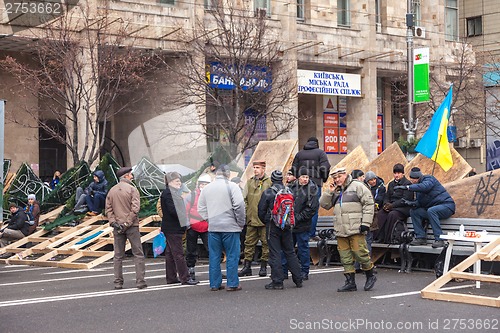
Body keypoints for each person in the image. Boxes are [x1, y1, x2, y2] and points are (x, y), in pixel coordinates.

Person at [319, 167, 377, 292]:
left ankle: (370, 275)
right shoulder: (336, 190)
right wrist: (329, 192)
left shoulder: (357, 186)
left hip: (355, 227)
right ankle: (350, 282)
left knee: (360, 253)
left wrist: (366, 223)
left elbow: (369, 204)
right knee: (345, 256)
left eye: (339, 177)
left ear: (345, 175)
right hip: (341, 228)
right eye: (335, 178)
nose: (337, 180)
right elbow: (324, 204)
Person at [198, 164, 246, 291]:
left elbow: (201, 208)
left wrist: (210, 219)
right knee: (232, 256)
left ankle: (215, 284)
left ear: (216, 174)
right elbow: (239, 206)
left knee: (214, 256)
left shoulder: (207, 189)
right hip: (231, 227)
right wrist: (240, 223)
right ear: (229, 174)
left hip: (213, 227)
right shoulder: (232, 187)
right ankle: (232, 283)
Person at [258, 170, 303, 290]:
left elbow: (261, 211)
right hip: (287, 226)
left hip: (273, 226)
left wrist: (267, 221)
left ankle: (277, 281)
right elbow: (295, 209)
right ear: (282, 179)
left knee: (275, 253)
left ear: (272, 180)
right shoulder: (289, 191)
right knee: (290, 252)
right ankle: (298, 279)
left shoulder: (268, 192)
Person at [105, 167, 147, 290]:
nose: (132, 176)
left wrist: (114, 222)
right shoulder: (132, 190)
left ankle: (118, 282)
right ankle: (140, 281)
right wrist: (127, 223)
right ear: (127, 176)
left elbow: (109, 209)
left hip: (117, 226)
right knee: (138, 253)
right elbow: (135, 209)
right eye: (130, 175)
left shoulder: (112, 191)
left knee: (118, 256)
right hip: (131, 226)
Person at [395, 167, 456, 248]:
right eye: (411, 179)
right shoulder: (418, 188)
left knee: (431, 211)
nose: (412, 181)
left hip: (447, 206)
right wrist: (411, 203)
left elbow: (425, 187)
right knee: (414, 212)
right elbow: (420, 203)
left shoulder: (429, 179)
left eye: (414, 179)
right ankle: (420, 237)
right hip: (433, 210)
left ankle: (439, 239)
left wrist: (407, 187)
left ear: (418, 178)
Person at [160, 171, 199, 285]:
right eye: (177, 181)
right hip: (173, 228)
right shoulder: (169, 193)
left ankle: (171, 277)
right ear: (170, 182)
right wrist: (185, 217)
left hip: (171, 227)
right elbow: (173, 210)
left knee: (170, 253)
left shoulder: (171, 192)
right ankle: (185, 277)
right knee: (178, 253)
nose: (179, 183)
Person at [291, 136, 331, 240]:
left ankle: (299, 232)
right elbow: (325, 167)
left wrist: (299, 177)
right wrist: (323, 178)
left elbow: (293, 168)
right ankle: (311, 234)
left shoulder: (299, 154)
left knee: (299, 207)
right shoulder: (321, 153)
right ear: (317, 144)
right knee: (313, 209)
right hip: (316, 184)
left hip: (301, 185)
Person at [240, 160, 271, 277]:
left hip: (263, 221)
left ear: (263, 169)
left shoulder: (269, 182)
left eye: (258, 167)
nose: (255, 170)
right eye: (254, 167)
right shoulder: (250, 182)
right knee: (248, 244)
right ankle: (247, 266)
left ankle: (263, 267)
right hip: (251, 219)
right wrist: (247, 212)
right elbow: (245, 199)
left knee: (265, 244)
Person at [287, 168, 319, 281]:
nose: (305, 179)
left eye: (307, 177)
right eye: (303, 177)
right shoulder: (291, 187)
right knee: (288, 248)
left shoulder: (312, 189)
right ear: (298, 177)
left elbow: (311, 209)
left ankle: (304, 271)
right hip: (291, 224)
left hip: (303, 224)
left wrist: (298, 218)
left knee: (303, 248)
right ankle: (286, 269)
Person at [375, 163, 413, 244]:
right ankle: (378, 237)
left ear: (403, 173)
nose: (396, 175)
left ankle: (389, 238)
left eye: (399, 173)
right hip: (391, 206)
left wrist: (392, 205)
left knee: (392, 215)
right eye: (395, 173)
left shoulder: (407, 184)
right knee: (381, 214)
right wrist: (386, 204)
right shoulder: (391, 184)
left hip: (402, 208)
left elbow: (405, 199)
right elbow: (387, 196)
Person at [185, 173, 212, 280]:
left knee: (212, 250)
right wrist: (188, 225)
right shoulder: (191, 196)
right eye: (202, 184)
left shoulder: (212, 196)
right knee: (191, 250)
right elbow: (185, 211)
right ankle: (190, 270)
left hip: (207, 227)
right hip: (193, 226)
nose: (203, 186)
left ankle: (215, 271)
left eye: (206, 184)